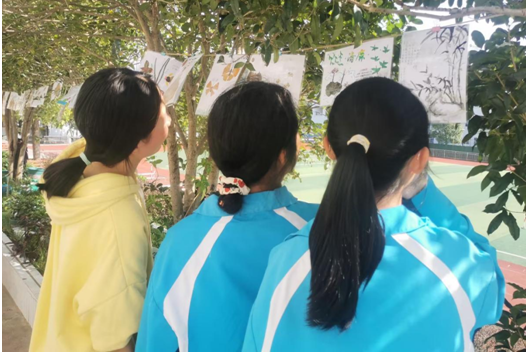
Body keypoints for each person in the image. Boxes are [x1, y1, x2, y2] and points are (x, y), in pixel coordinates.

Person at [243, 77, 505, 352]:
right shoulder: (459, 263)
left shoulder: (286, 259)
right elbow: (491, 288)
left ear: (328, 147)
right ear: (420, 159)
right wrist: (424, 191)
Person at [136, 82, 318, 352]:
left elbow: (154, 343)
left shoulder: (180, 241)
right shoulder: (322, 228)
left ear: (216, 153)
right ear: (284, 156)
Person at [30, 68, 171, 352]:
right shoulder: (119, 219)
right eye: (163, 111)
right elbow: (115, 338)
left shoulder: (84, 175)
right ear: (138, 137)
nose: (168, 118)